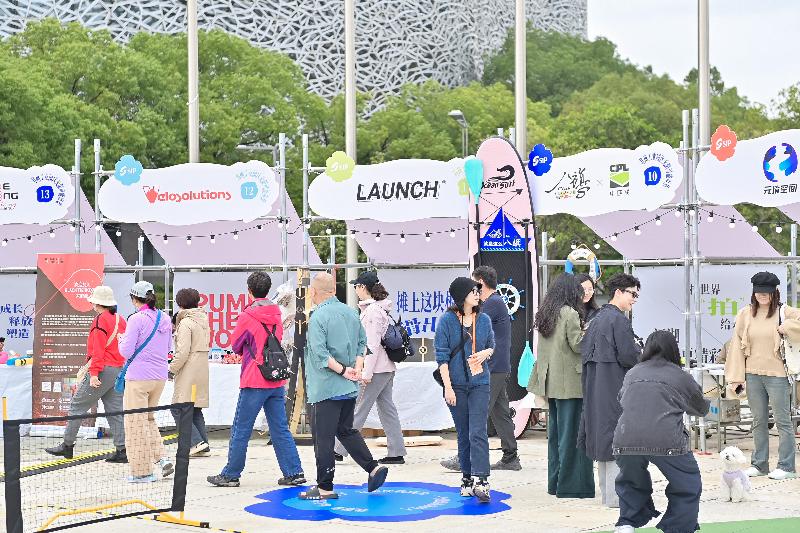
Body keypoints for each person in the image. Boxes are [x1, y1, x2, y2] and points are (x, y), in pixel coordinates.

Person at [207, 272, 305, 487]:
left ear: (249, 290)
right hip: (276, 378)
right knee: (280, 428)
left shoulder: (247, 316)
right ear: (268, 290)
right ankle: (294, 472)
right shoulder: (277, 313)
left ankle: (231, 474)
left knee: (241, 428)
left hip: (254, 378)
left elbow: (236, 346)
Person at [299, 272, 389, 500]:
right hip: (348, 388)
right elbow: (362, 344)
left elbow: (320, 354)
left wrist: (342, 370)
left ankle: (325, 487)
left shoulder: (318, 317)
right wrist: (355, 369)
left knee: (324, 438)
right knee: (346, 430)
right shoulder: (351, 312)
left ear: (313, 292)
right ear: (334, 290)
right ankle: (373, 467)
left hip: (325, 388)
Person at [613, 330, 710, 533]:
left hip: (625, 438)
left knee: (631, 481)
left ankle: (626, 523)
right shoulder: (680, 376)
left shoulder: (633, 372)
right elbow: (701, 409)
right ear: (674, 350)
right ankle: (677, 527)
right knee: (687, 483)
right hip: (666, 440)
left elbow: (622, 399)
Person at [725, 272, 799, 480]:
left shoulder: (784, 311)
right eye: (758, 291)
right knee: (758, 420)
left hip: (778, 376)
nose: (762, 295)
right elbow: (736, 347)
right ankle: (759, 464)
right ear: (754, 292)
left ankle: (786, 466)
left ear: (775, 292)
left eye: (766, 292)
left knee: (783, 421)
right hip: (752, 375)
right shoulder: (745, 314)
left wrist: (787, 327)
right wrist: (736, 377)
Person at [578, 272, 642, 507]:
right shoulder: (619, 320)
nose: (634, 299)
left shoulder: (596, 318)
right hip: (614, 386)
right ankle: (617, 498)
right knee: (616, 437)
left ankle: (608, 496)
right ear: (618, 292)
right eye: (632, 294)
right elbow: (628, 356)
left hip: (594, 388)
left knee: (602, 438)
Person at [528, 273, 594, 498]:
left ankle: (555, 483)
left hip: (552, 382)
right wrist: (590, 332)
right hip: (571, 384)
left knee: (556, 437)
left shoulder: (546, 312)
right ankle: (572, 487)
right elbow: (578, 345)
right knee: (573, 435)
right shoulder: (570, 313)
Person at [46, 286, 128, 463]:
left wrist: (94, 374)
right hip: (117, 370)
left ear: (98, 303)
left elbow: (98, 350)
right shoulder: (120, 320)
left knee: (76, 406)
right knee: (115, 411)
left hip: (102, 370)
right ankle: (122, 450)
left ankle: (67, 445)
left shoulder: (100, 321)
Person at [333, 270, 407, 464]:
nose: (355, 290)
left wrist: (366, 372)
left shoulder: (373, 311)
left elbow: (371, 344)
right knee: (387, 409)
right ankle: (396, 452)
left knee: (358, 408)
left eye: (356, 286)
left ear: (362, 287)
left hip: (375, 369)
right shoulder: (379, 308)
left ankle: (338, 449)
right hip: (385, 367)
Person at [435, 276, 495, 503]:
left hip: (480, 383)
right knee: (463, 433)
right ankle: (467, 478)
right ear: (462, 296)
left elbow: (491, 345)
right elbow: (441, 357)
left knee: (478, 431)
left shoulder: (484, 319)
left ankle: (482, 480)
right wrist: (448, 388)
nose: (477, 294)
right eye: (473, 291)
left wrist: (486, 352)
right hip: (456, 385)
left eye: (478, 291)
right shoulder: (447, 321)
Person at [118, 281, 174, 483]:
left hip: (138, 378)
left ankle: (141, 472)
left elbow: (126, 351)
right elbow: (168, 347)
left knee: (135, 423)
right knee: (148, 419)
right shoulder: (164, 318)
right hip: (159, 376)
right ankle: (162, 457)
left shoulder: (136, 319)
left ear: (134, 299)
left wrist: (121, 340)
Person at [170, 288, 211, 457]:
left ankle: (195, 443)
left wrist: (171, 369)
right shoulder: (203, 319)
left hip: (189, 369)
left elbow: (182, 352)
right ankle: (203, 445)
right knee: (195, 409)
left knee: (178, 408)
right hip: (201, 368)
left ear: (180, 303)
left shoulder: (186, 323)